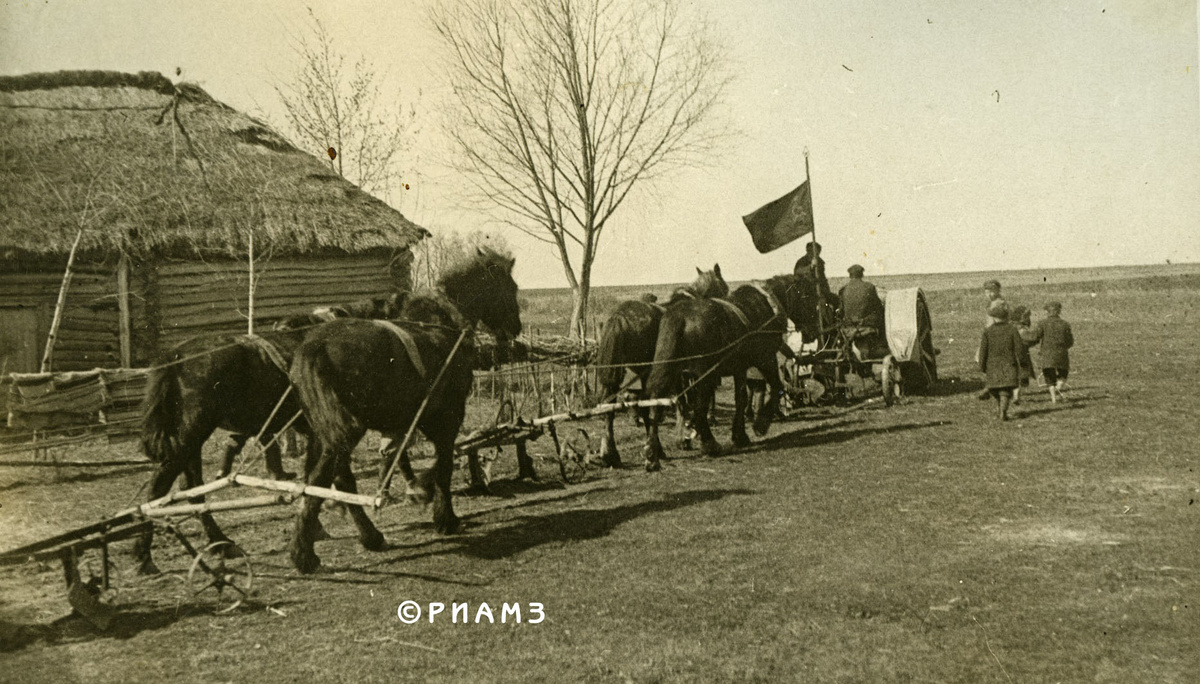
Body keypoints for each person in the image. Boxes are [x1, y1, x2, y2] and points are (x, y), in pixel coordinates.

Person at [978, 300, 1024, 421]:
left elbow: (983, 351)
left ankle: (998, 406)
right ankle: (1003, 411)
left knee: (996, 388)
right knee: (1006, 390)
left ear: (993, 318)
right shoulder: (1012, 330)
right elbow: (1019, 348)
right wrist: (1022, 362)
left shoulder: (988, 331)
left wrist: (982, 366)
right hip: (1009, 364)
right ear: (1007, 317)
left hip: (992, 365)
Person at [1028, 300, 1074, 402]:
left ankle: (1053, 398)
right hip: (1061, 353)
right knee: (1063, 374)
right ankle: (1058, 389)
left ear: (1046, 311)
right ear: (1059, 311)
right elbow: (1070, 341)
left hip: (1047, 354)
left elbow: (1035, 337)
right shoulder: (1065, 324)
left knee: (1049, 376)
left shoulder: (1042, 323)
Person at [976, 279, 1008, 399]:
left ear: (998, 290)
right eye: (987, 292)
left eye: (992, 291)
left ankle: (991, 386)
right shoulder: (993, 303)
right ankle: (992, 385)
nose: (989, 294)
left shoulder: (999, 303)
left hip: (996, 335)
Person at [1011, 305, 1037, 404]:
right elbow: (1029, 340)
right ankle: (1016, 396)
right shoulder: (1021, 329)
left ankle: (1014, 394)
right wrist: (1037, 338)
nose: (1028, 319)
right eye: (1027, 317)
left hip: (1009, 355)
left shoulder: (1009, 326)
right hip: (1021, 355)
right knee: (1021, 375)